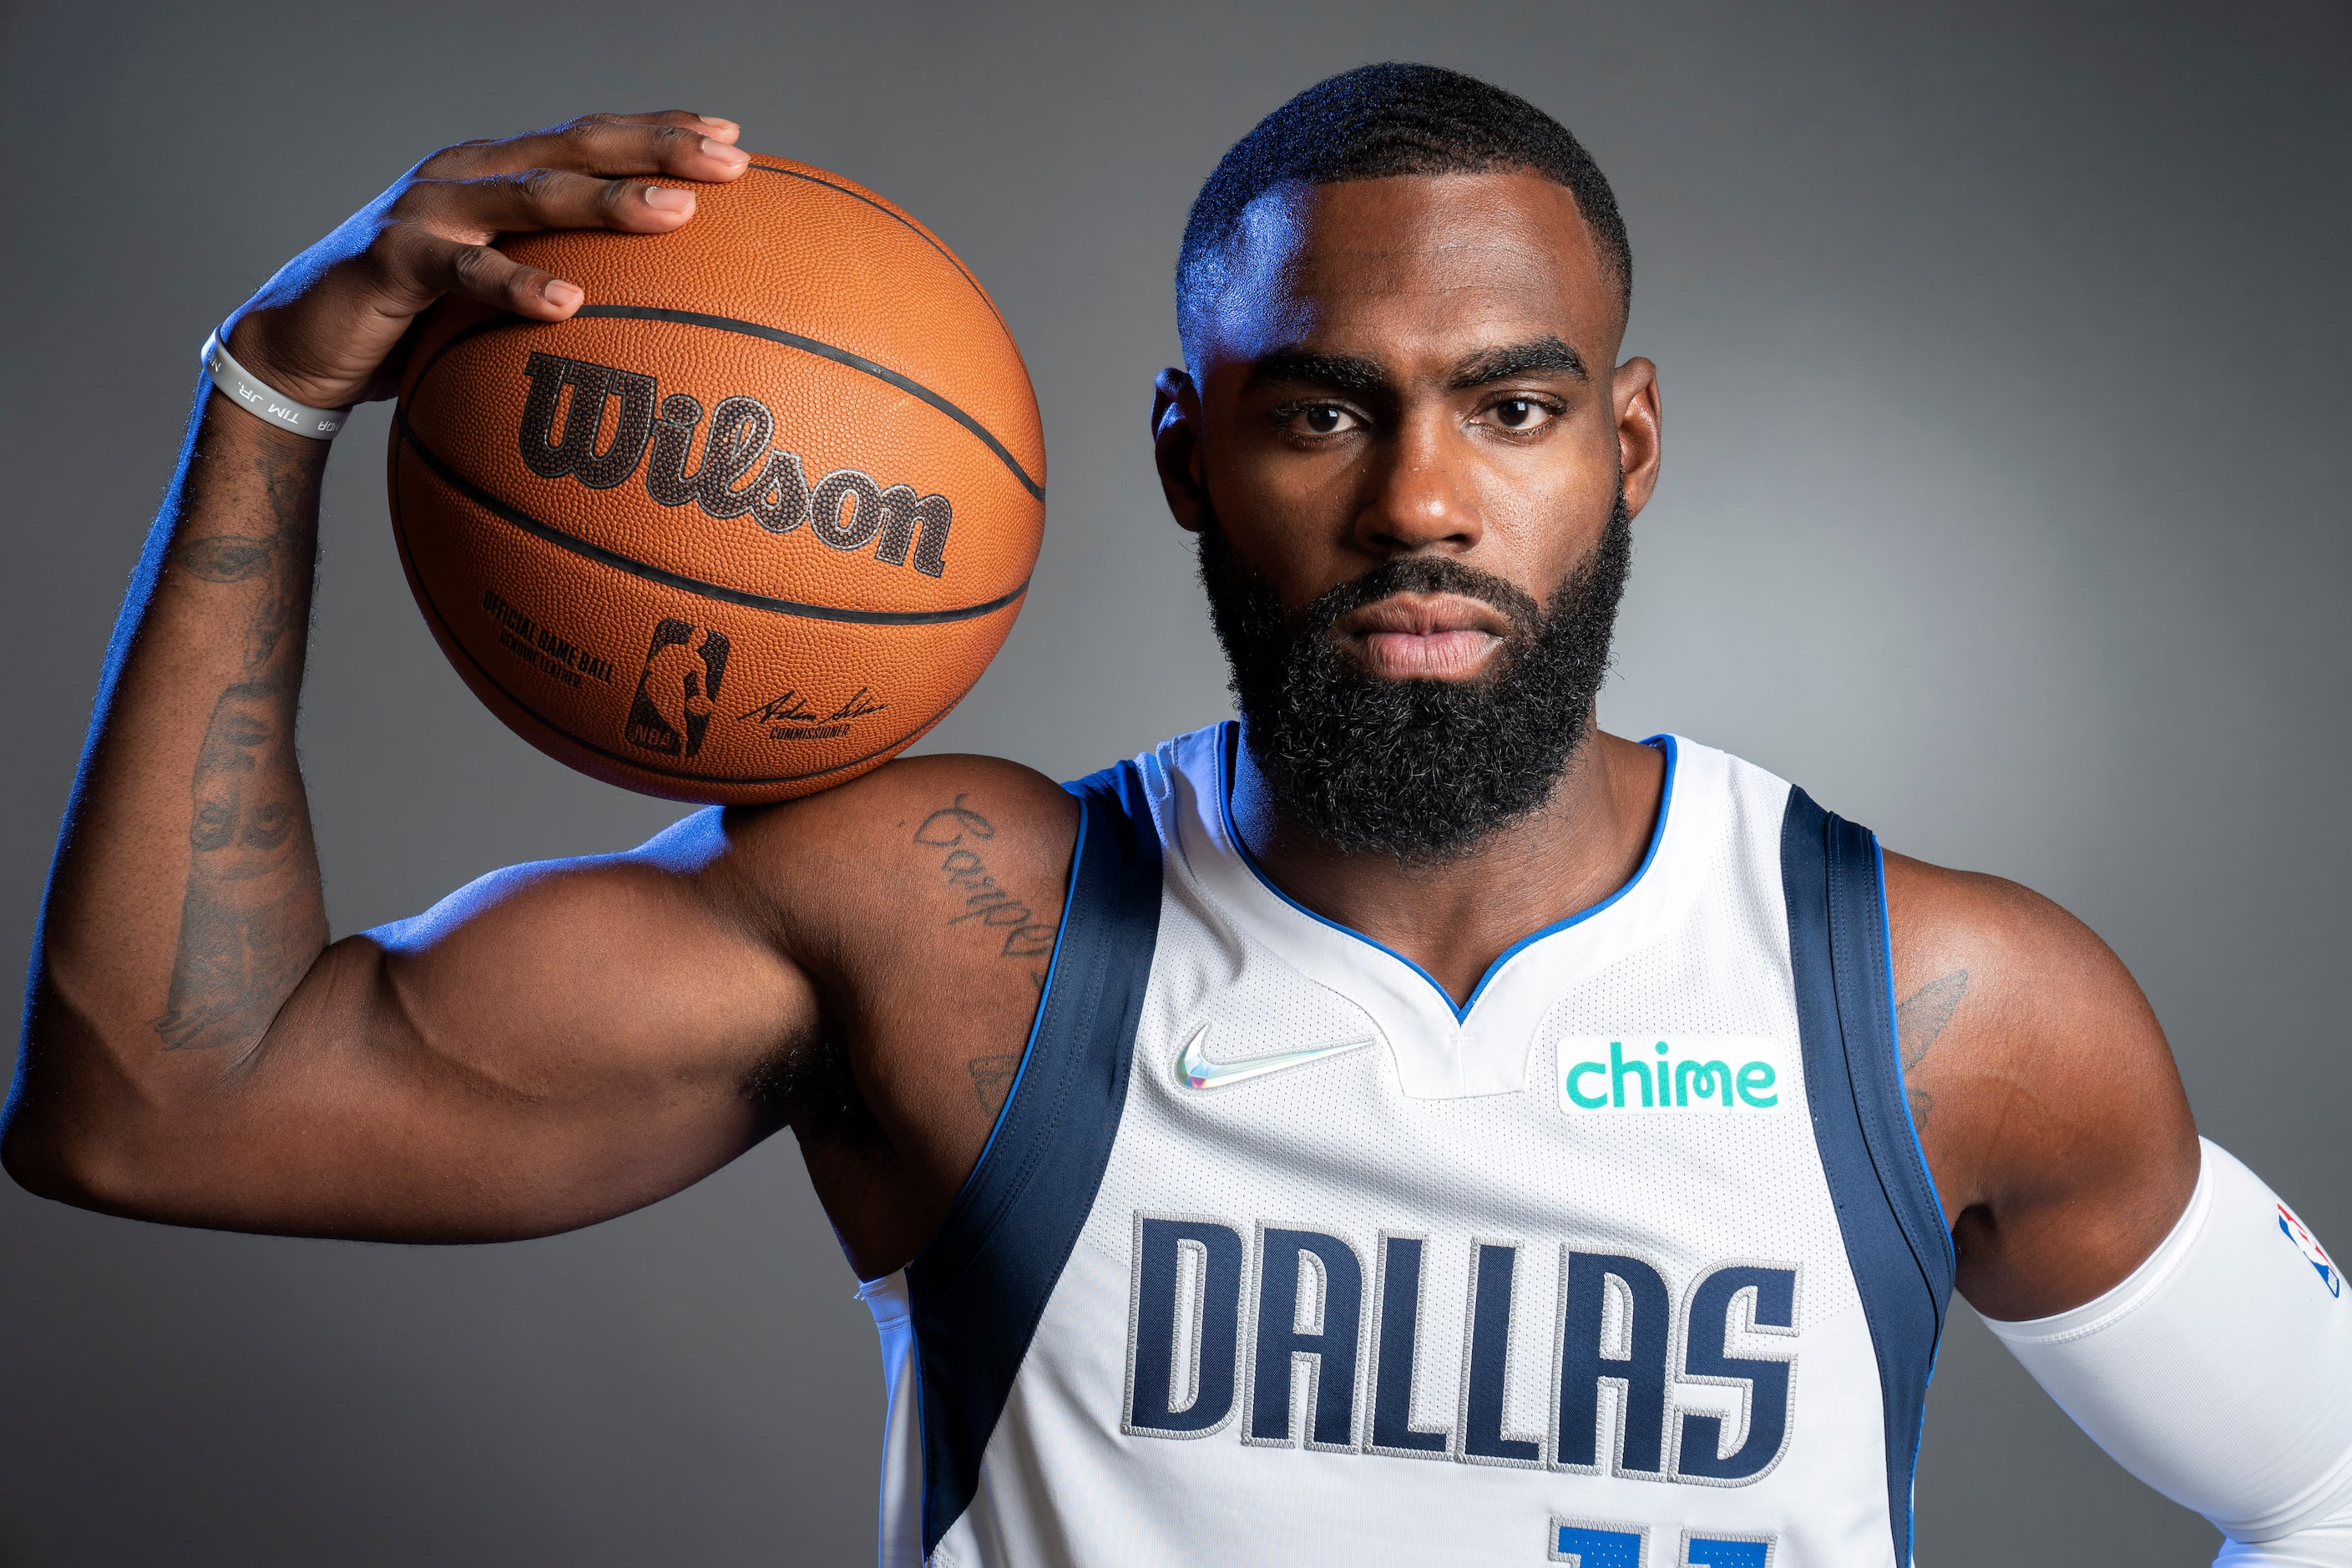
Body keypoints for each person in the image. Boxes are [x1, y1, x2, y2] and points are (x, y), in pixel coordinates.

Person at [7, 63, 2347, 1567]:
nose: (1421, 499)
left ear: (1621, 447)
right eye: (1318, 413)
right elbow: (160, 1104)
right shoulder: (953, 932)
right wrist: (274, 403)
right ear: (1177, 455)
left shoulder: (1935, 1004)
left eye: (1508, 410)